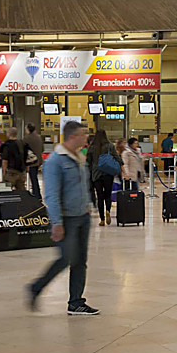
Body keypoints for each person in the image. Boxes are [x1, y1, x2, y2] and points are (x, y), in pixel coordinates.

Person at [28, 120, 98, 315]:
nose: (86, 137)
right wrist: (57, 222)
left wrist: (88, 206)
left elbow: (83, 186)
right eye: (83, 134)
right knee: (66, 258)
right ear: (72, 136)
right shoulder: (55, 161)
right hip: (66, 219)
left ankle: (76, 302)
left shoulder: (79, 157)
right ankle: (36, 287)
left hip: (82, 216)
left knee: (80, 261)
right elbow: (51, 195)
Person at [87, 130, 120, 225]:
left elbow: (88, 163)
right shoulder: (110, 146)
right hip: (108, 173)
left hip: (96, 175)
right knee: (108, 195)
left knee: (100, 196)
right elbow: (117, 157)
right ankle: (108, 210)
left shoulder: (92, 147)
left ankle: (102, 219)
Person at [24, 124, 44, 196]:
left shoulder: (26, 138)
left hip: (31, 161)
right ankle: (36, 192)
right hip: (38, 160)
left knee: (33, 178)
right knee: (34, 176)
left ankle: (36, 194)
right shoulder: (39, 137)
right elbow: (42, 149)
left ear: (28, 129)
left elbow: (24, 150)